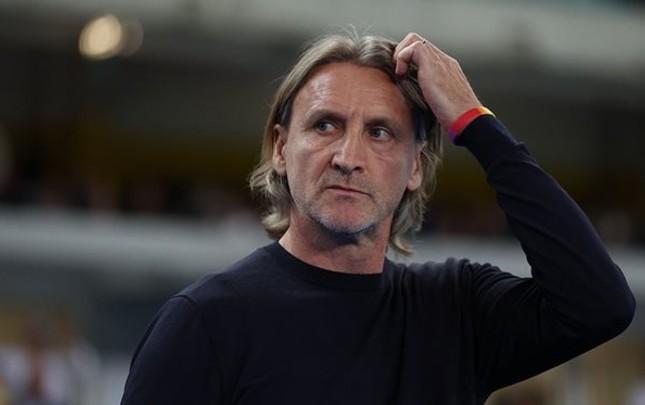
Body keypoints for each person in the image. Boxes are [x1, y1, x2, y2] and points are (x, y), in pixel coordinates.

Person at [120, 31, 635, 404]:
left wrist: (474, 121)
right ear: (280, 148)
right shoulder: (205, 323)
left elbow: (600, 304)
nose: (348, 157)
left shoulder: (456, 313)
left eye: (380, 133)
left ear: (416, 167)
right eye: (325, 125)